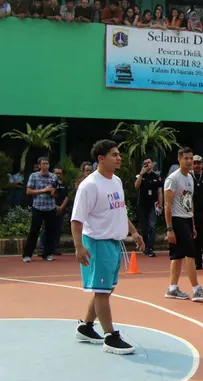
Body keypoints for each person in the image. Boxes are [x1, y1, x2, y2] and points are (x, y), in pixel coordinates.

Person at [71, 139, 145, 355]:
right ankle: (110, 337)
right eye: (114, 154)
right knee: (102, 291)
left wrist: (134, 231)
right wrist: (78, 247)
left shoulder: (117, 181)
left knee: (107, 288)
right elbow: (76, 220)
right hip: (97, 243)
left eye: (118, 154)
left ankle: (86, 326)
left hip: (113, 242)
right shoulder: (89, 185)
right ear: (100, 159)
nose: (119, 157)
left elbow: (119, 210)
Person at [163, 148, 203, 301]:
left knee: (177, 256)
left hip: (186, 219)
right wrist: (169, 228)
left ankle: (172, 288)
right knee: (190, 254)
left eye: (191, 158)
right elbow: (167, 205)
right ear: (179, 159)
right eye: (186, 158)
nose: (190, 161)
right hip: (177, 220)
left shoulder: (190, 178)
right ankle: (197, 290)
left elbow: (189, 201)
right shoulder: (173, 179)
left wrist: (191, 224)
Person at [23, 157, 58, 263]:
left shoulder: (53, 176)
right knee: (34, 231)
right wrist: (43, 190)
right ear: (39, 165)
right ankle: (27, 254)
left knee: (50, 231)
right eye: (43, 164)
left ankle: (47, 253)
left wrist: (53, 192)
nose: (46, 165)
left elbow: (56, 192)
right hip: (38, 206)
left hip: (50, 207)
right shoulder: (34, 176)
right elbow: (28, 191)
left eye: (47, 163)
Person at [135, 157, 162, 257]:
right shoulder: (140, 176)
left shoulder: (157, 176)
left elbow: (159, 192)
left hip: (153, 205)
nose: (147, 165)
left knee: (152, 226)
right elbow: (136, 186)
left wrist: (160, 206)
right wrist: (141, 174)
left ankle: (150, 247)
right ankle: (146, 246)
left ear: (152, 164)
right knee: (144, 227)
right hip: (142, 205)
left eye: (149, 163)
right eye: (145, 163)